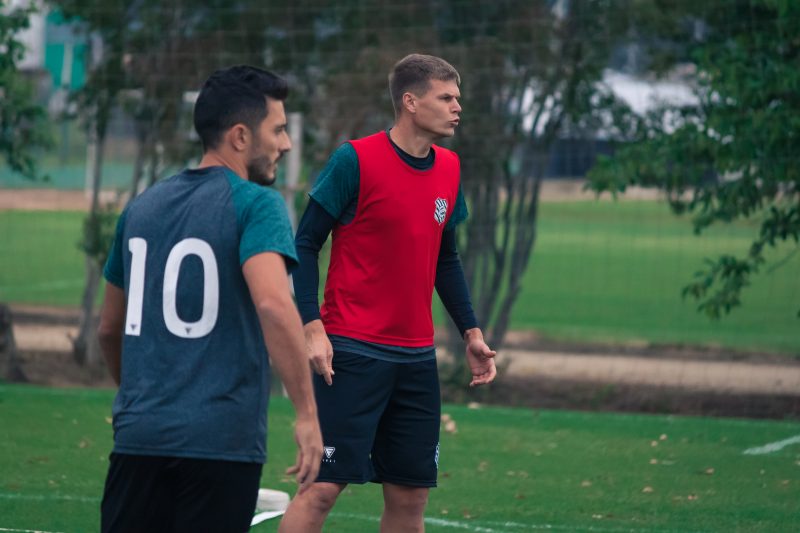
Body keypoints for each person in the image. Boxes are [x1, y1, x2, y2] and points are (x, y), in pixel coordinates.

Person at [96, 65, 322, 533]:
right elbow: (273, 304)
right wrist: (306, 414)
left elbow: (108, 328)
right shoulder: (257, 205)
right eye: (277, 130)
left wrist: (137, 403)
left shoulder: (140, 208)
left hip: (139, 438)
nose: (286, 143)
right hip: (220, 443)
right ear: (240, 136)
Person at [280, 54, 497, 532]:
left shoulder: (450, 168)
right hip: (352, 352)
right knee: (320, 489)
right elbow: (305, 243)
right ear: (411, 102)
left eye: (458, 97)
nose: (458, 107)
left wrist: (471, 332)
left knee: (410, 497)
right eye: (446, 97)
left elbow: (445, 258)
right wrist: (312, 327)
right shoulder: (354, 160)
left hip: (416, 361)